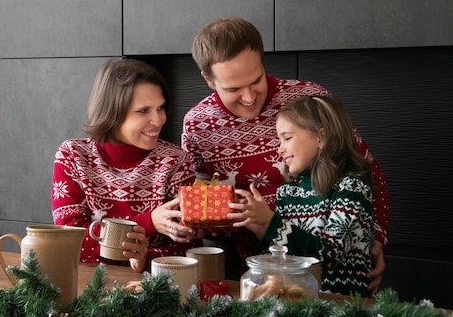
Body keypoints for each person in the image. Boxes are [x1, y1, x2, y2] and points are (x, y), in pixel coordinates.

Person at [181, 16, 388, 294]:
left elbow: (368, 172)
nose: (248, 97)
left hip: (330, 266)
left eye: (255, 81)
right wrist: (207, 223)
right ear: (209, 80)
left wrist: (372, 242)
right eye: (233, 89)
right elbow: (201, 199)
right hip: (256, 267)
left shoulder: (311, 99)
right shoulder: (197, 125)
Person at [51, 58, 198, 273]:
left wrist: (145, 258)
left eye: (160, 108)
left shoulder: (175, 161)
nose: (158, 120)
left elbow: (188, 248)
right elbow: (70, 241)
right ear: (112, 111)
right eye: (143, 111)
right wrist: (147, 223)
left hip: (153, 287)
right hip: (87, 286)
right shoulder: (72, 156)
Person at [230, 95, 374, 297]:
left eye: (287, 138)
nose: (280, 149)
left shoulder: (352, 188)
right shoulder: (288, 191)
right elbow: (278, 256)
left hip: (339, 302)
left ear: (320, 138)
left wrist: (271, 223)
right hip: (295, 299)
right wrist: (261, 229)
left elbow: (330, 253)